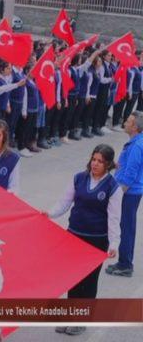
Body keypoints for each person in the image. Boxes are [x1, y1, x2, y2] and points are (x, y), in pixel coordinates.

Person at [45, 144, 121, 336]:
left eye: (100, 162)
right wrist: (50, 213)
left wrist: (114, 244)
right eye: (94, 159)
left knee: (88, 282)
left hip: (96, 240)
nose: (95, 164)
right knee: (73, 279)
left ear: (108, 165)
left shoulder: (113, 188)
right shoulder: (79, 178)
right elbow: (65, 202)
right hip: (74, 235)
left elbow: (114, 219)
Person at [106, 111, 143, 277]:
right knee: (126, 226)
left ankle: (125, 264)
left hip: (129, 193)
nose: (125, 123)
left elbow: (131, 173)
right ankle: (124, 261)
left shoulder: (136, 146)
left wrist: (119, 194)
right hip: (132, 192)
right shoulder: (136, 142)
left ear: (135, 127)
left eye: (128, 121)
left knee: (126, 228)